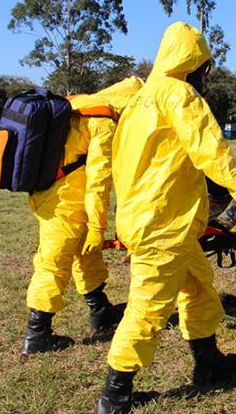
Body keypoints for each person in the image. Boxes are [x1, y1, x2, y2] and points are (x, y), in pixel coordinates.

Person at [96, 22, 236, 414]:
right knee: (148, 308)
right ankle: (115, 395)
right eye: (204, 68)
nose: (205, 78)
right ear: (194, 63)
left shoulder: (142, 99)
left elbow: (125, 162)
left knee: (199, 288)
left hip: (155, 219)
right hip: (162, 225)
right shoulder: (180, 96)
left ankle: (208, 362)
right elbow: (214, 154)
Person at [22, 77, 144, 354]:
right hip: (64, 201)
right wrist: (97, 226)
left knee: (84, 252)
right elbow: (99, 179)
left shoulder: (80, 104)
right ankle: (37, 333)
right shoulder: (103, 120)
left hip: (52, 193)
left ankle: (100, 310)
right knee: (54, 262)